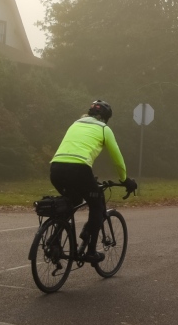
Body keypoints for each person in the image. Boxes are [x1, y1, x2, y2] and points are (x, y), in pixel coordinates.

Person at [50, 100, 136, 263]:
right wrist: (125, 180)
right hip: (79, 170)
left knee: (72, 201)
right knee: (97, 204)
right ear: (106, 118)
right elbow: (117, 159)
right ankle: (90, 251)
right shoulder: (104, 129)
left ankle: (54, 242)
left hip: (55, 169)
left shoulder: (75, 124)